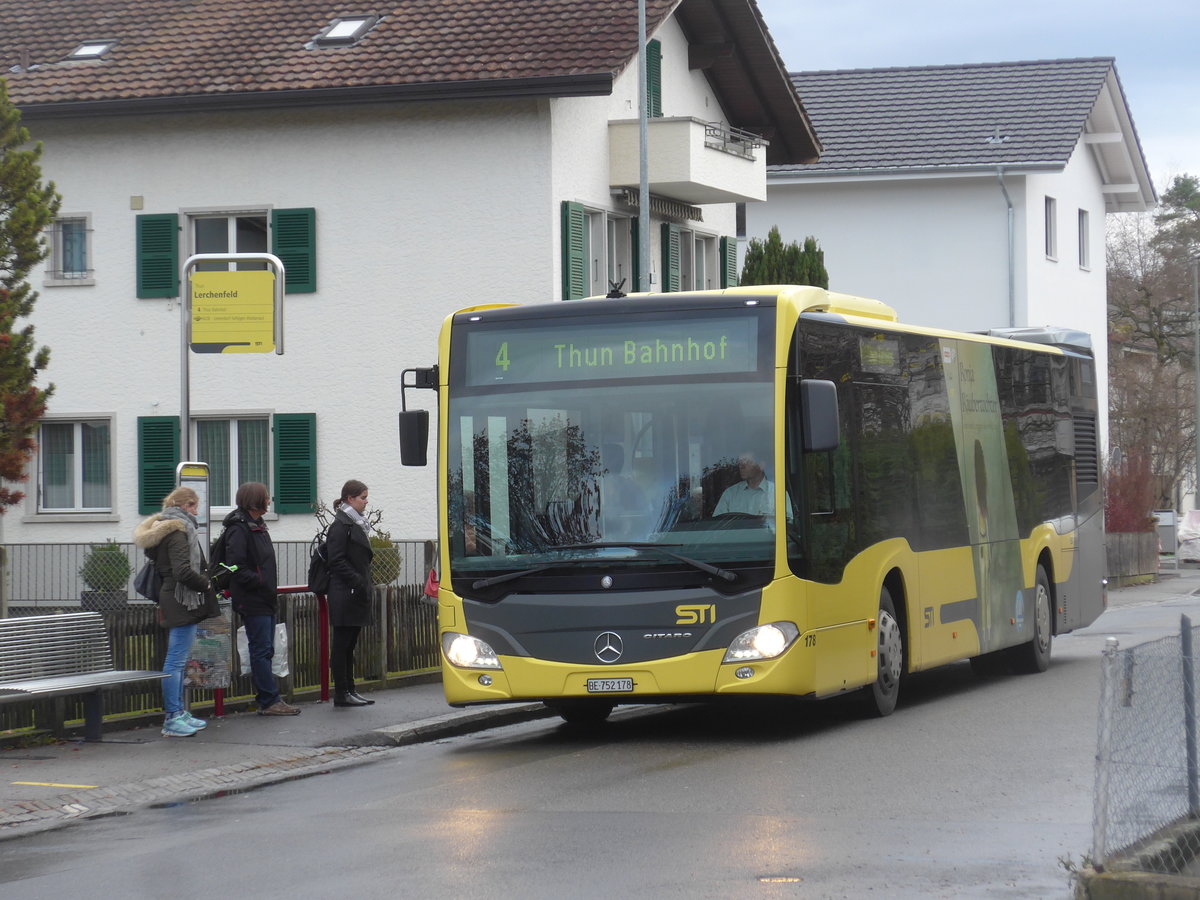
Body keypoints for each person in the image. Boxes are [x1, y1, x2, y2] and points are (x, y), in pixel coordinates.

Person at [133, 486, 220, 738]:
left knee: (178, 660)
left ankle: (179, 713)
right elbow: (182, 571)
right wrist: (205, 583)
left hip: (174, 597)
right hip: (181, 599)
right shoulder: (178, 531)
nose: (197, 511)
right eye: (194, 506)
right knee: (176, 661)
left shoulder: (164, 528)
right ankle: (172, 717)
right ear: (185, 506)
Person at [222, 482, 300, 716]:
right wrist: (259, 582)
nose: (269, 501)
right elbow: (234, 565)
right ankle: (269, 700)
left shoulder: (257, 526)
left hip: (263, 596)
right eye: (266, 497)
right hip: (253, 598)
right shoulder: (240, 528)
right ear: (255, 500)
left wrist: (265, 585)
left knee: (265, 649)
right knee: (261, 649)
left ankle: (269, 698)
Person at [326, 479, 375, 708]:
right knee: (342, 644)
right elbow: (336, 560)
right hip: (345, 593)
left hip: (354, 592)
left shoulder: (355, 523)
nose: (366, 502)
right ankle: (342, 692)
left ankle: (350, 689)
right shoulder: (340, 526)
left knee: (349, 645)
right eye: (362, 498)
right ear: (349, 499)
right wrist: (357, 581)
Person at [713, 450, 777, 517]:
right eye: (740, 462)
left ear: (761, 465)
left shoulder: (776, 493)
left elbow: (787, 522)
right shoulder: (730, 493)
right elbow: (717, 523)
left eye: (747, 462)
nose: (742, 466)